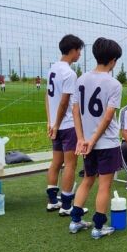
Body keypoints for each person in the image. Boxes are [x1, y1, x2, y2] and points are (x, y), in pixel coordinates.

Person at [69, 37, 123, 239]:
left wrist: (82, 139)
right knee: (105, 185)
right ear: (113, 60)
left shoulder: (81, 79)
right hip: (106, 143)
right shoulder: (114, 84)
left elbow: (75, 110)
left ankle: (75, 221)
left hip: (87, 143)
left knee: (87, 180)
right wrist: (91, 141)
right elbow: (108, 117)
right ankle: (99, 227)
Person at [45, 34, 83, 216]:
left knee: (56, 162)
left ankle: (52, 201)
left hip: (55, 125)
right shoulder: (69, 73)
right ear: (73, 50)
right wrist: (58, 123)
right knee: (70, 165)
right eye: (79, 51)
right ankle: (67, 205)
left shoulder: (52, 69)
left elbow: (47, 96)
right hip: (67, 125)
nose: (80, 55)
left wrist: (50, 122)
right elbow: (64, 102)